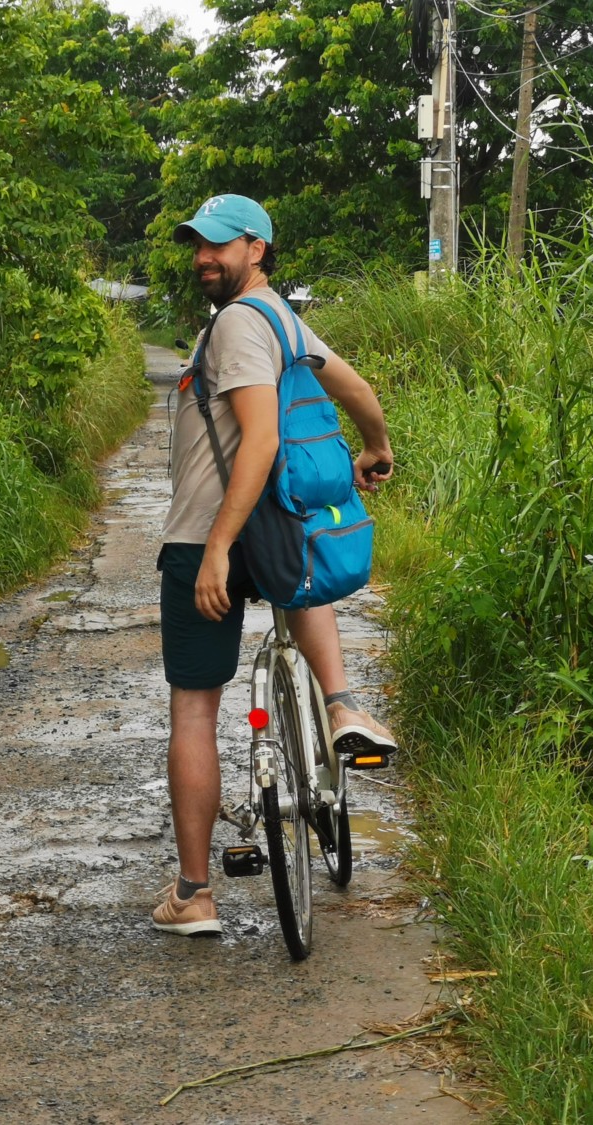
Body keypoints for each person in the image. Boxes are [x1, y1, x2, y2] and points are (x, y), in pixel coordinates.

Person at [152, 193, 398, 937]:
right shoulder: (285, 319)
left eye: (219, 245)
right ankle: (339, 703)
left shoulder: (236, 325)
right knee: (299, 579)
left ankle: (195, 893)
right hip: (278, 532)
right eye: (197, 244)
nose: (203, 256)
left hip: (209, 536)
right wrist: (378, 445)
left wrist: (219, 548)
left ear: (257, 248)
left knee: (195, 707)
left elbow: (258, 441)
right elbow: (353, 385)